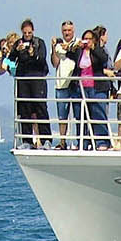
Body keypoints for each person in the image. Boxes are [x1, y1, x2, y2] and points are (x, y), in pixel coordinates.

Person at [6, 19, 50, 148]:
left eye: (29, 32)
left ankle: (46, 139)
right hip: (23, 79)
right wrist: (16, 52)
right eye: (25, 33)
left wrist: (33, 53)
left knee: (41, 108)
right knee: (25, 109)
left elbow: (42, 59)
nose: (27, 35)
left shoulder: (39, 43)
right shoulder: (17, 44)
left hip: (37, 79)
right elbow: (8, 62)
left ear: (33, 31)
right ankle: (26, 141)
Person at [76, 27, 112, 150]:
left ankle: (102, 142)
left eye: (89, 39)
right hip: (82, 87)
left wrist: (93, 48)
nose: (87, 41)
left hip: (97, 87)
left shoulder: (99, 50)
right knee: (83, 116)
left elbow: (103, 59)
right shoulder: (79, 51)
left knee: (99, 113)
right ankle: (84, 142)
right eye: (85, 39)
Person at [51, 20, 80, 149]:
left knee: (79, 114)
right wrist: (54, 48)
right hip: (61, 84)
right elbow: (54, 63)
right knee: (62, 116)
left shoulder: (78, 43)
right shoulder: (58, 45)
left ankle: (81, 141)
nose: (67, 33)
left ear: (73, 31)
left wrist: (68, 49)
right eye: (64, 31)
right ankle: (62, 142)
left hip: (75, 82)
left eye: (69, 30)